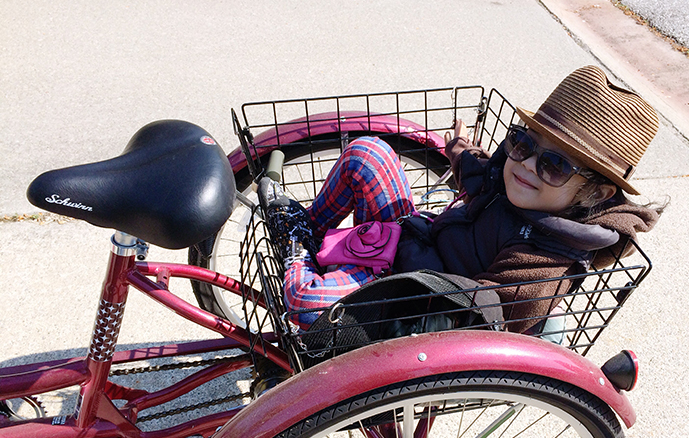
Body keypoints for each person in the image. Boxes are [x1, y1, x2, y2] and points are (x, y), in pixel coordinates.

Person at [264, 65, 664, 334]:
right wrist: (461, 151)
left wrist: (398, 256)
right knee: (368, 153)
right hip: (410, 244)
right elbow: (486, 175)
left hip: (411, 298)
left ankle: (296, 246)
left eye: (555, 165)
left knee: (307, 301)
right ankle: (312, 232)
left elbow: (477, 316)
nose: (525, 165)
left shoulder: (545, 261)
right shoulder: (523, 186)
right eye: (523, 142)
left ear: (596, 192)